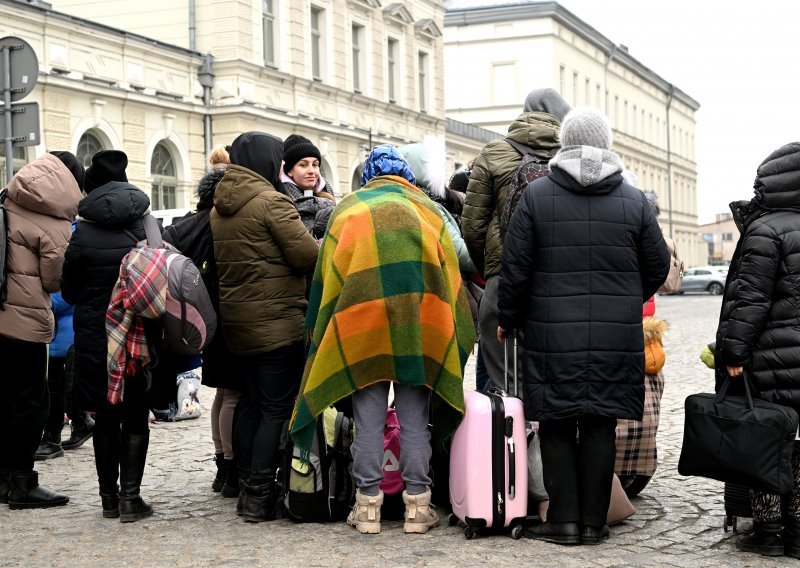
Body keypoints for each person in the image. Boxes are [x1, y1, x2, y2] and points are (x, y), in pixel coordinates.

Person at [497, 107, 669, 545]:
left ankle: (565, 521)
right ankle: (594, 522)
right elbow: (658, 266)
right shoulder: (634, 201)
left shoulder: (537, 196)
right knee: (599, 423)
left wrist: (509, 319)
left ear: (564, 144)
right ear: (606, 144)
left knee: (555, 421)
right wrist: (625, 300)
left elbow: (516, 269)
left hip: (551, 333)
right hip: (614, 335)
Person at [290, 144, 475, 535]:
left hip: (361, 327)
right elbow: (451, 278)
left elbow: (326, 281)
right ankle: (417, 509)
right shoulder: (428, 211)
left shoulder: (348, 211)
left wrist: (320, 325)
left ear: (370, 174)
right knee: (414, 422)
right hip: (420, 326)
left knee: (368, 421)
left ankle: (368, 507)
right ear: (403, 174)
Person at [211, 131, 318, 522]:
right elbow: (306, 255)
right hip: (276, 323)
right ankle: (260, 494)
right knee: (275, 409)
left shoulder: (220, 205)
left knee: (250, 405)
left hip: (238, 324)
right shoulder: (272, 202)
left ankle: (243, 486)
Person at [61, 150, 156, 522]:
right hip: (137, 337)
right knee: (135, 416)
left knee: (104, 416)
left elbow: (68, 291)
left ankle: (108, 499)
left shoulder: (81, 232)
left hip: (96, 338)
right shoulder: (145, 226)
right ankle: (131, 499)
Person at [715, 142, 800, 560]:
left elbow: (751, 301)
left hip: (771, 357)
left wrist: (732, 352)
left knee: (766, 438)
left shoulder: (766, 230)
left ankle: (769, 531)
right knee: (799, 444)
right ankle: (799, 531)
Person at [462, 87, 571, 389]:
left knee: (505, 380)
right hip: (558, 283)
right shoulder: (571, 156)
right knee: (554, 378)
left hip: (504, 279)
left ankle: (512, 433)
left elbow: (472, 225)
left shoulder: (494, 152)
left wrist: (492, 269)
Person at [0, 151, 82, 508]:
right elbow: (54, 281)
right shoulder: (53, 222)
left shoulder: (6, 199)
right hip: (25, 323)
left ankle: (3, 479)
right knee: (31, 403)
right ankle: (22, 483)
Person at [164, 169, 242, 497]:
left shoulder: (187, 223)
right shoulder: (217, 223)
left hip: (201, 318)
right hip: (225, 316)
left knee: (223, 393)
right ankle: (231, 466)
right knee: (233, 394)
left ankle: (221, 467)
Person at [279, 134, 335, 239]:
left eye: (315, 165)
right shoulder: (281, 199)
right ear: (289, 171)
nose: (311, 171)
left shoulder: (328, 195)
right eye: (303, 165)